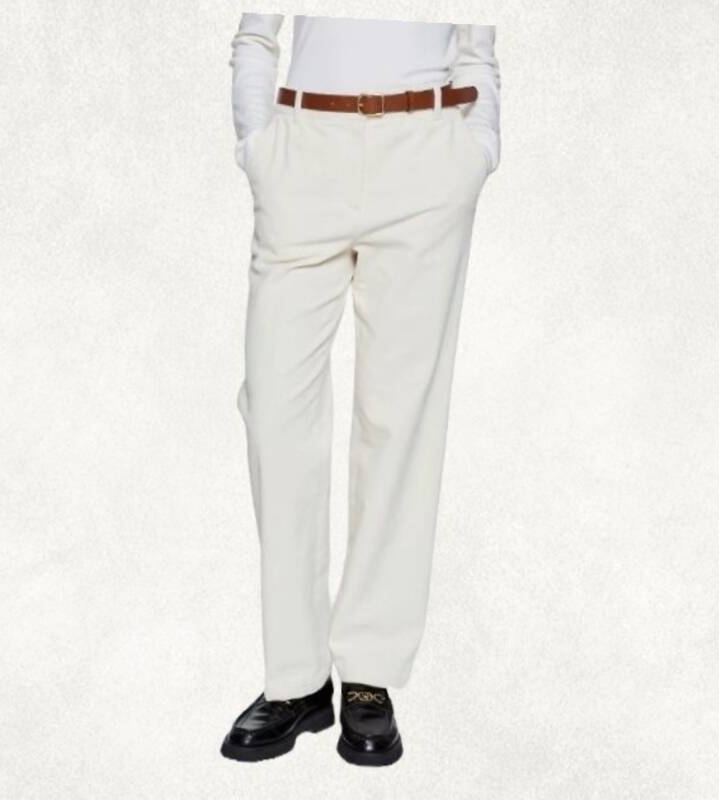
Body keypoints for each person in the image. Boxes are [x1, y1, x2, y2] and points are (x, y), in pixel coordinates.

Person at [221, 13, 501, 767]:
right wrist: (257, 144)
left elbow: (477, 36)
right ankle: (296, 677)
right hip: (304, 148)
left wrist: (478, 147)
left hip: (427, 153)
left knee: (399, 419)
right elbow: (255, 29)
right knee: (275, 413)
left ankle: (369, 674)